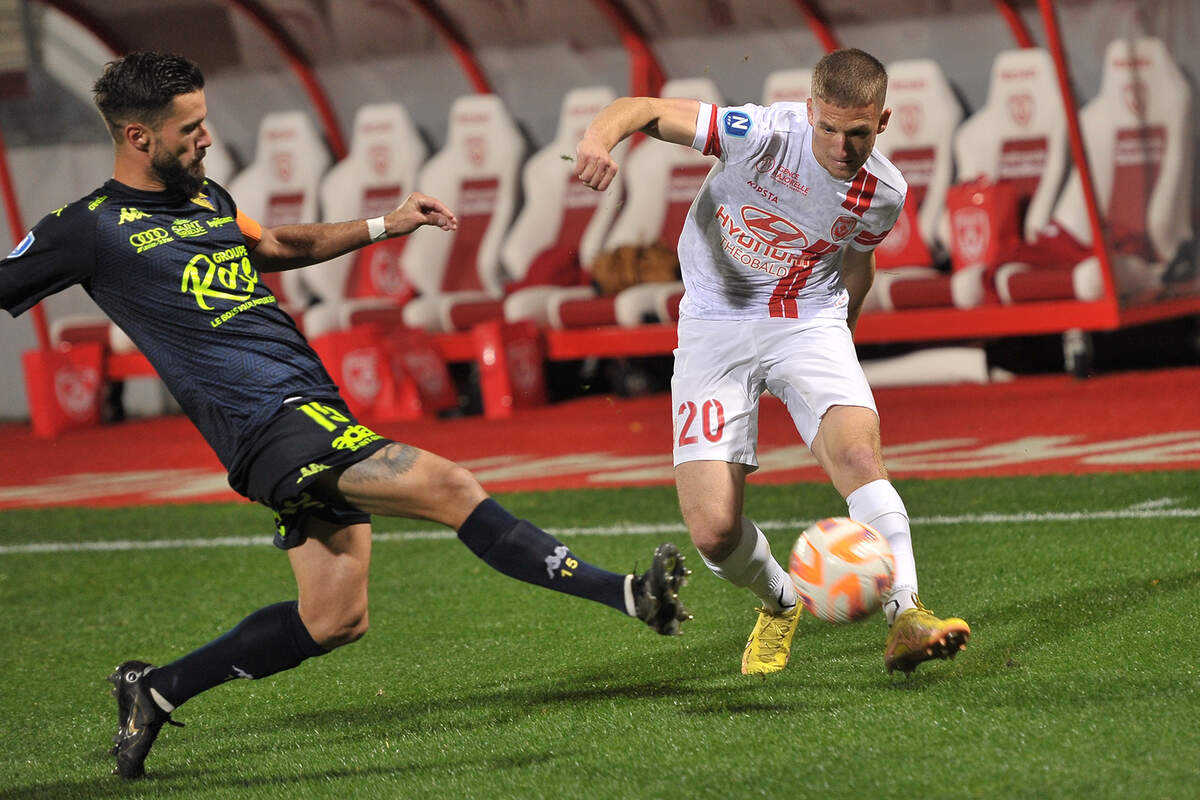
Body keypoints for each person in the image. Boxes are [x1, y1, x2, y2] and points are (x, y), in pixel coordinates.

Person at [0, 52, 692, 780]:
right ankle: (627, 594)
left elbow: (269, 245)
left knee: (334, 620)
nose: (207, 138)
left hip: (313, 409)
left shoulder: (204, 196)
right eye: (190, 127)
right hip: (267, 427)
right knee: (451, 486)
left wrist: (384, 224)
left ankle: (157, 691)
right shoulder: (87, 227)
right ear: (138, 138)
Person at [574, 48, 968, 677]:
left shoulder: (884, 193)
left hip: (807, 321)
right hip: (711, 324)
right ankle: (781, 601)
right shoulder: (759, 134)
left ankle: (906, 615)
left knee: (860, 455)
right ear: (810, 110)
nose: (841, 146)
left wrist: (843, 343)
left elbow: (856, 264)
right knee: (712, 531)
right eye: (829, 128)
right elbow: (643, 109)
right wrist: (599, 139)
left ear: (884, 121)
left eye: (859, 133)